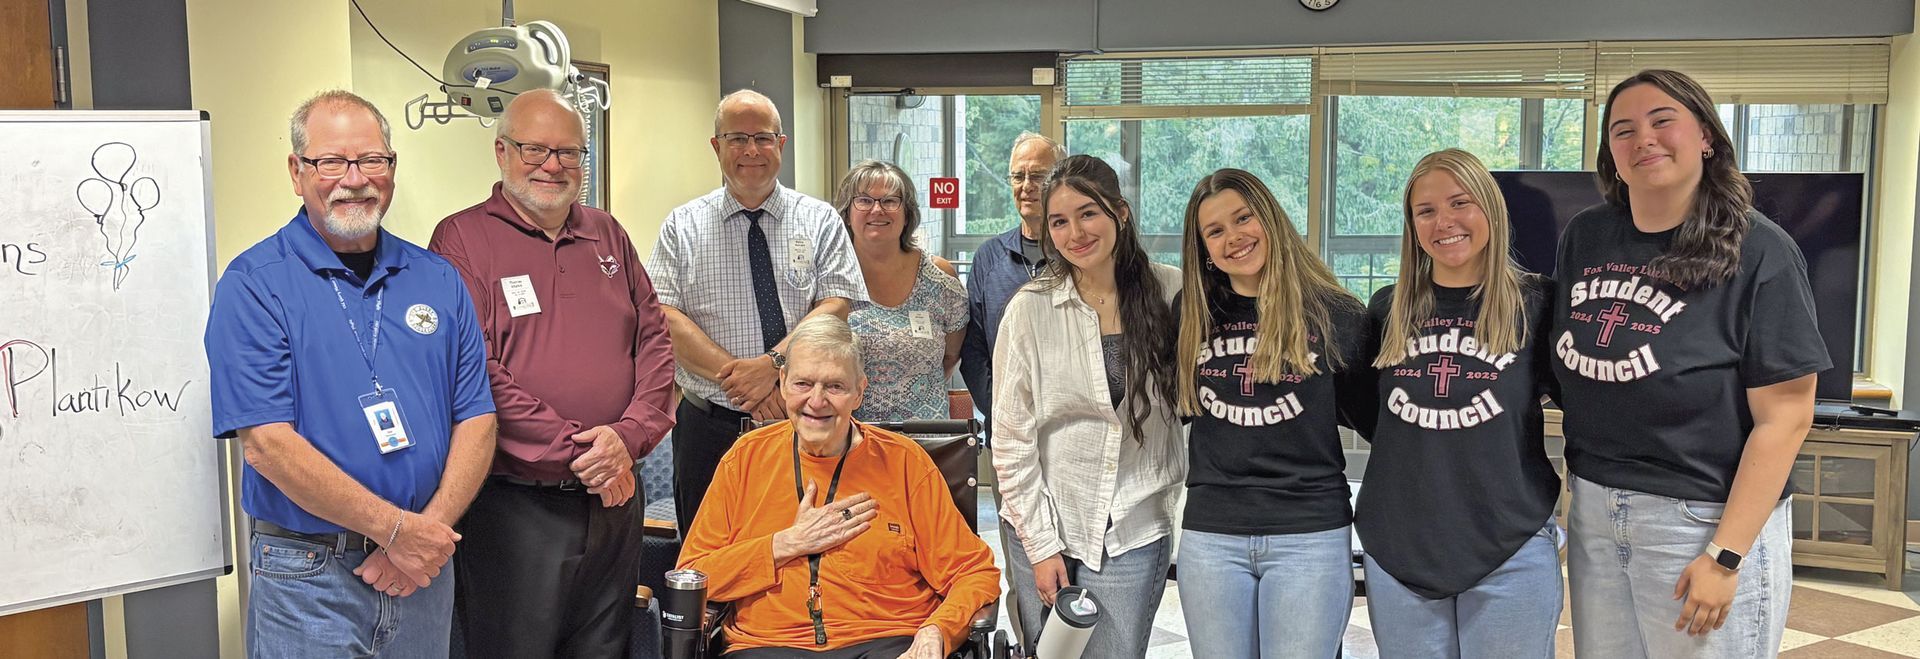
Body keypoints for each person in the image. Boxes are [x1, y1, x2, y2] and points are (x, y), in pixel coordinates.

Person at [206, 90, 497, 658]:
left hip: (423, 572)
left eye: (371, 160)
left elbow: (477, 416)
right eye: (331, 161)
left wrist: (425, 536)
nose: (354, 178)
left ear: (391, 168)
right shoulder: (254, 285)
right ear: (297, 172)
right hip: (308, 576)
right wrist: (396, 531)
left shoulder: (437, 278)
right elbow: (267, 445)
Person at [1558, 69, 1827, 658]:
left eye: (1662, 121)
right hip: (1595, 511)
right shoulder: (1587, 237)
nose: (1643, 140)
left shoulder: (1761, 251)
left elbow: (1786, 417)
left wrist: (1725, 557)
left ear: (1705, 135)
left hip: (1700, 519)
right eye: (1622, 130)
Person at [428, 89, 676, 658]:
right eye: (535, 149)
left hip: (615, 499)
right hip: (518, 508)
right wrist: (585, 453)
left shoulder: (607, 233)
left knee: (605, 649)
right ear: (501, 152)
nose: (552, 165)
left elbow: (655, 341)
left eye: (569, 152)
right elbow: (473, 370)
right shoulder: (462, 239)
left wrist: (627, 439)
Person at [678, 314, 1000, 659]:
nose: (816, 401)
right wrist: (784, 544)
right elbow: (694, 575)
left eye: (834, 387)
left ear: (859, 392)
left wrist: (939, 630)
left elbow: (974, 572)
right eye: (803, 384)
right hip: (768, 643)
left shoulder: (905, 462)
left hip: (886, 639)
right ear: (783, 382)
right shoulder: (746, 458)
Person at [1357, 149, 1562, 658]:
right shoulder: (1387, 309)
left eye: (1459, 203)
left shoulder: (1538, 303)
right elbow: (1368, 414)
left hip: (1507, 545)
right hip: (1401, 549)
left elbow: (1587, 406)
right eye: (1425, 211)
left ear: (1490, 208)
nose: (1443, 222)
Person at [1170, 168, 1371, 658]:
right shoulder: (1191, 312)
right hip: (1212, 534)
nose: (1233, 238)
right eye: (1214, 231)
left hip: (1309, 533)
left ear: (1271, 219)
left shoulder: (1335, 312)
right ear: (1203, 248)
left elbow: (1374, 422)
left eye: (1244, 218)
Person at [992, 155, 1184, 658]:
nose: (1075, 232)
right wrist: (1040, 544)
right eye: (1059, 221)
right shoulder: (1031, 308)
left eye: (1087, 214)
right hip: (1046, 514)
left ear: (1120, 212)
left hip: (1133, 522)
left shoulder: (1173, 292)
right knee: (1053, 654)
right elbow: (1012, 441)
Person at [649, 89, 868, 530]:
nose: (751, 150)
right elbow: (664, 317)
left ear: (781, 145)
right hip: (708, 430)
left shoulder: (820, 219)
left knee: (811, 546)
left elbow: (837, 302)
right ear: (716, 146)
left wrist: (774, 367)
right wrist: (745, 381)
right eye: (737, 138)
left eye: (763, 138)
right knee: (708, 560)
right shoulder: (682, 226)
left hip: (810, 421)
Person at [834, 160, 966, 422]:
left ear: (907, 213)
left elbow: (950, 357)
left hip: (925, 441)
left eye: (890, 201)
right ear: (847, 213)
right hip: (851, 442)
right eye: (864, 200)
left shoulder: (940, 278)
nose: (877, 210)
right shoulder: (831, 277)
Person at [959, 132, 1066, 428]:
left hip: (1069, 430)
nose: (1027, 186)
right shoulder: (989, 257)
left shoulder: (1078, 255)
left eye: (1039, 176)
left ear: (1061, 181)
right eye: (1018, 176)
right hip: (1007, 429)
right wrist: (1001, 409)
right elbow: (973, 348)